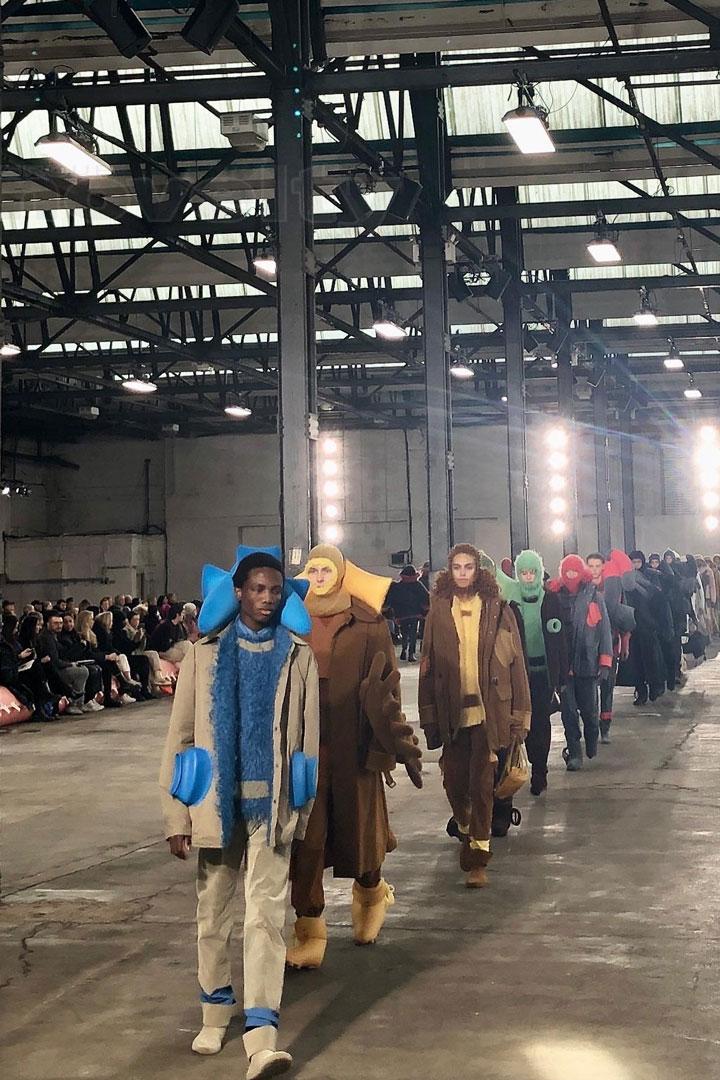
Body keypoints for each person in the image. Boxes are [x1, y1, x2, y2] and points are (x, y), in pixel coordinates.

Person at [159, 548, 320, 1075]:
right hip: (215, 806)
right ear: (239, 592)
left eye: (275, 590)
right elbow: (180, 737)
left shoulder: (298, 655)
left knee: (266, 918)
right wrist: (176, 816)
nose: (267, 599)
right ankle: (215, 1010)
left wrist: (301, 812)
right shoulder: (204, 654)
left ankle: (261, 1033)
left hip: (273, 808)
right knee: (213, 915)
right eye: (257, 589)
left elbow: (307, 744)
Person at [286, 544, 422, 969]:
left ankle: (371, 893)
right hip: (305, 746)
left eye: (327, 569)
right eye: (313, 569)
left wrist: (385, 741)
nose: (319, 576)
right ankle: (309, 929)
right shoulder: (290, 619)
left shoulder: (366, 621)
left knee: (359, 831)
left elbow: (388, 685)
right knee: (307, 840)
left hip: (355, 742)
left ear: (341, 573)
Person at [419, 543, 530, 887]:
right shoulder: (438, 610)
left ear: (478, 571)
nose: (463, 573)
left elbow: (516, 666)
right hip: (451, 712)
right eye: (457, 567)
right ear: (449, 571)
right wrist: (428, 715)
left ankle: (478, 859)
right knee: (454, 783)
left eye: (469, 567)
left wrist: (520, 715)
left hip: (489, 713)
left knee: (482, 786)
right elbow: (427, 666)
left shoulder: (498, 609)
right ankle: (466, 829)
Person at [497, 549, 568, 796]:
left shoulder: (551, 600)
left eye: (532, 572)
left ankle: (540, 771)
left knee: (540, 724)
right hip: (519, 675)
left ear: (539, 573)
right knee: (521, 724)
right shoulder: (511, 600)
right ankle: (523, 767)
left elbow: (560, 639)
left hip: (543, 676)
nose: (528, 577)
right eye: (524, 572)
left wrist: (561, 676)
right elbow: (494, 574)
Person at [548, 555, 612, 771]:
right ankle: (574, 752)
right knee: (568, 714)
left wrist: (605, 661)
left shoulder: (594, 596)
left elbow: (604, 630)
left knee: (590, 712)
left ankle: (592, 737)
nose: (571, 575)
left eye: (575, 571)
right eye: (568, 571)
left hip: (588, 664)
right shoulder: (554, 597)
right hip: (564, 667)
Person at [587, 551, 636, 743]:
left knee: (607, 688)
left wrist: (625, 644)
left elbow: (624, 619)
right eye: (591, 566)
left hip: (611, 646)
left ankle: (605, 725)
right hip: (588, 649)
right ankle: (592, 726)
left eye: (597, 566)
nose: (594, 570)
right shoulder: (583, 590)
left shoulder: (615, 591)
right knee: (590, 690)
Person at [36, 610, 91, 716]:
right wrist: (70, 664)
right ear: (48, 624)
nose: (59, 626)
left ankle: (78, 702)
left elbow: (64, 652)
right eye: (56, 623)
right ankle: (74, 703)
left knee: (83, 669)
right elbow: (55, 661)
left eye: (61, 623)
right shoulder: (47, 638)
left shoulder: (53, 636)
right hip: (53, 672)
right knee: (82, 671)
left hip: (57, 667)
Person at [75, 610, 125, 708]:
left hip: (92, 659)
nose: (93, 621)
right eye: (91, 619)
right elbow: (88, 653)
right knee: (104, 665)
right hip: (84, 660)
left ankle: (110, 695)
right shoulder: (80, 635)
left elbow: (95, 651)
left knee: (108, 663)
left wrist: (107, 656)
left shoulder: (91, 634)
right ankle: (121, 684)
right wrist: (106, 656)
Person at [57, 612, 105, 712]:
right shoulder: (62, 638)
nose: (68, 624)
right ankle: (83, 701)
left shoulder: (76, 635)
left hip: (79, 660)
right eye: (65, 622)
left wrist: (85, 644)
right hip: (69, 663)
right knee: (90, 671)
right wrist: (81, 645)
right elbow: (69, 654)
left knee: (97, 668)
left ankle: (91, 698)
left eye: (70, 621)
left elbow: (87, 651)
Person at [386, 564, 429, 662]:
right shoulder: (418, 585)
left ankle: (404, 650)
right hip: (415, 614)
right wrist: (425, 611)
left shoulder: (396, 587)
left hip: (401, 615)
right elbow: (426, 598)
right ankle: (411, 654)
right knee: (413, 634)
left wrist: (393, 613)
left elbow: (390, 601)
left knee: (404, 633)